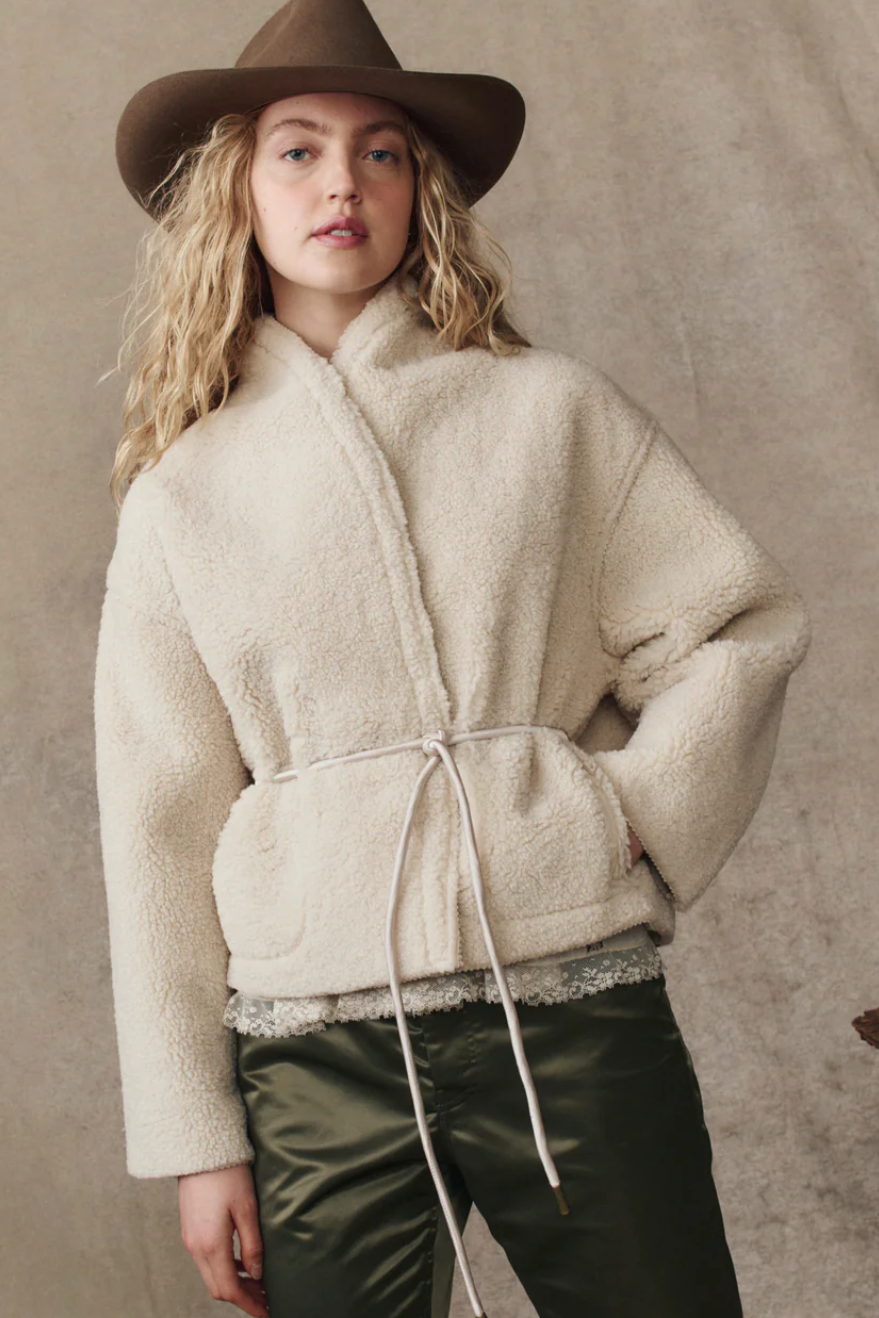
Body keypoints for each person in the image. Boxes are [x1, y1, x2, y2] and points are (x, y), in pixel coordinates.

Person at [93, 2, 812, 1316]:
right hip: (314, 1045)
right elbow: (157, 824)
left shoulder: (551, 413)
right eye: (299, 151)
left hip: (568, 1001)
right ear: (236, 191)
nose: (343, 184)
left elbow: (734, 625)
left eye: (380, 152)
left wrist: (622, 815)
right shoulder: (181, 497)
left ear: (419, 189)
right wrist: (198, 1137)